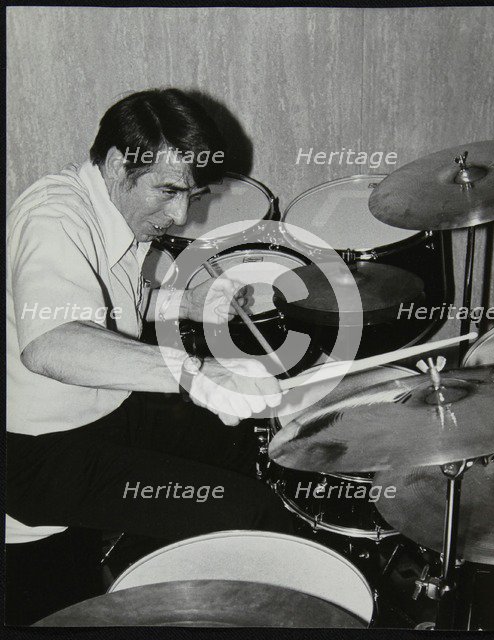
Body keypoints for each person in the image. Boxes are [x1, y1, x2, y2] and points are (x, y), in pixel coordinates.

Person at [6, 88, 293, 625]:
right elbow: (51, 342)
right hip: (37, 456)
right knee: (250, 510)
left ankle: (163, 564)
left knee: (234, 438)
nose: (181, 214)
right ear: (118, 164)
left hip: (102, 413)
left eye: (193, 193)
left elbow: (110, 304)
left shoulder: (116, 212)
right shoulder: (54, 215)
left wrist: (188, 301)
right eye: (168, 191)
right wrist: (195, 373)